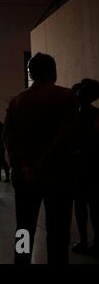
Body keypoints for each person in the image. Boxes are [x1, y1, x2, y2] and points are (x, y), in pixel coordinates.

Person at [4, 53, 79, 264]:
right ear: (53, 72)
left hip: (25, 177)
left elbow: (8, 138)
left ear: (30, 73)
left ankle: (21, 260)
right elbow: (66, 136)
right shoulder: (66, 97)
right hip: (59, 176)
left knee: (24, 228)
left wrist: (24, 165)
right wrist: (40, 164)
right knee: (58, 232)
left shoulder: (17, 100)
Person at [71, 79, 99, 255]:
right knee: (89, 206)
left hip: (85, 166)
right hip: (89, 167)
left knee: (84, 206)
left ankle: (86, 240)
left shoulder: (76, 116)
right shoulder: (94, 115)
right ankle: (92, 241)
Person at [0, 115, 10, 182]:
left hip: (0, 146)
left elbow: (1, 136)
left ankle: (6, 175)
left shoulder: (0, 126)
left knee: (1, 161)